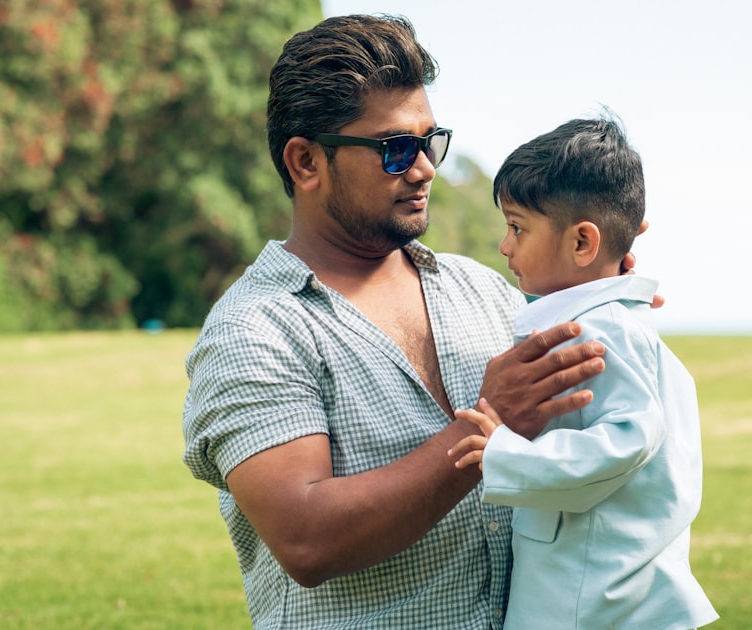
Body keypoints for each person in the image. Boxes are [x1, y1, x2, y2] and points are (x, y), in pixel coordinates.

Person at [181, 15, 657, 628]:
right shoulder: (254, 330)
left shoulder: (486, 291)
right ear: (305, 162)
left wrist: (605, 299)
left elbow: (591, 414)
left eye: (430, 142)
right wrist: (485, 427)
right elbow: (305, 538)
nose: (426, 167)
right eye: (395, 149)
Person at [448, 114, 718, 628]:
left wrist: (505, 451)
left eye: (517, 227)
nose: (504, 246)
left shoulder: (600, 332)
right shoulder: (602, 322)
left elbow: (628, 438)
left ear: (581, 244)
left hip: (593, 603)